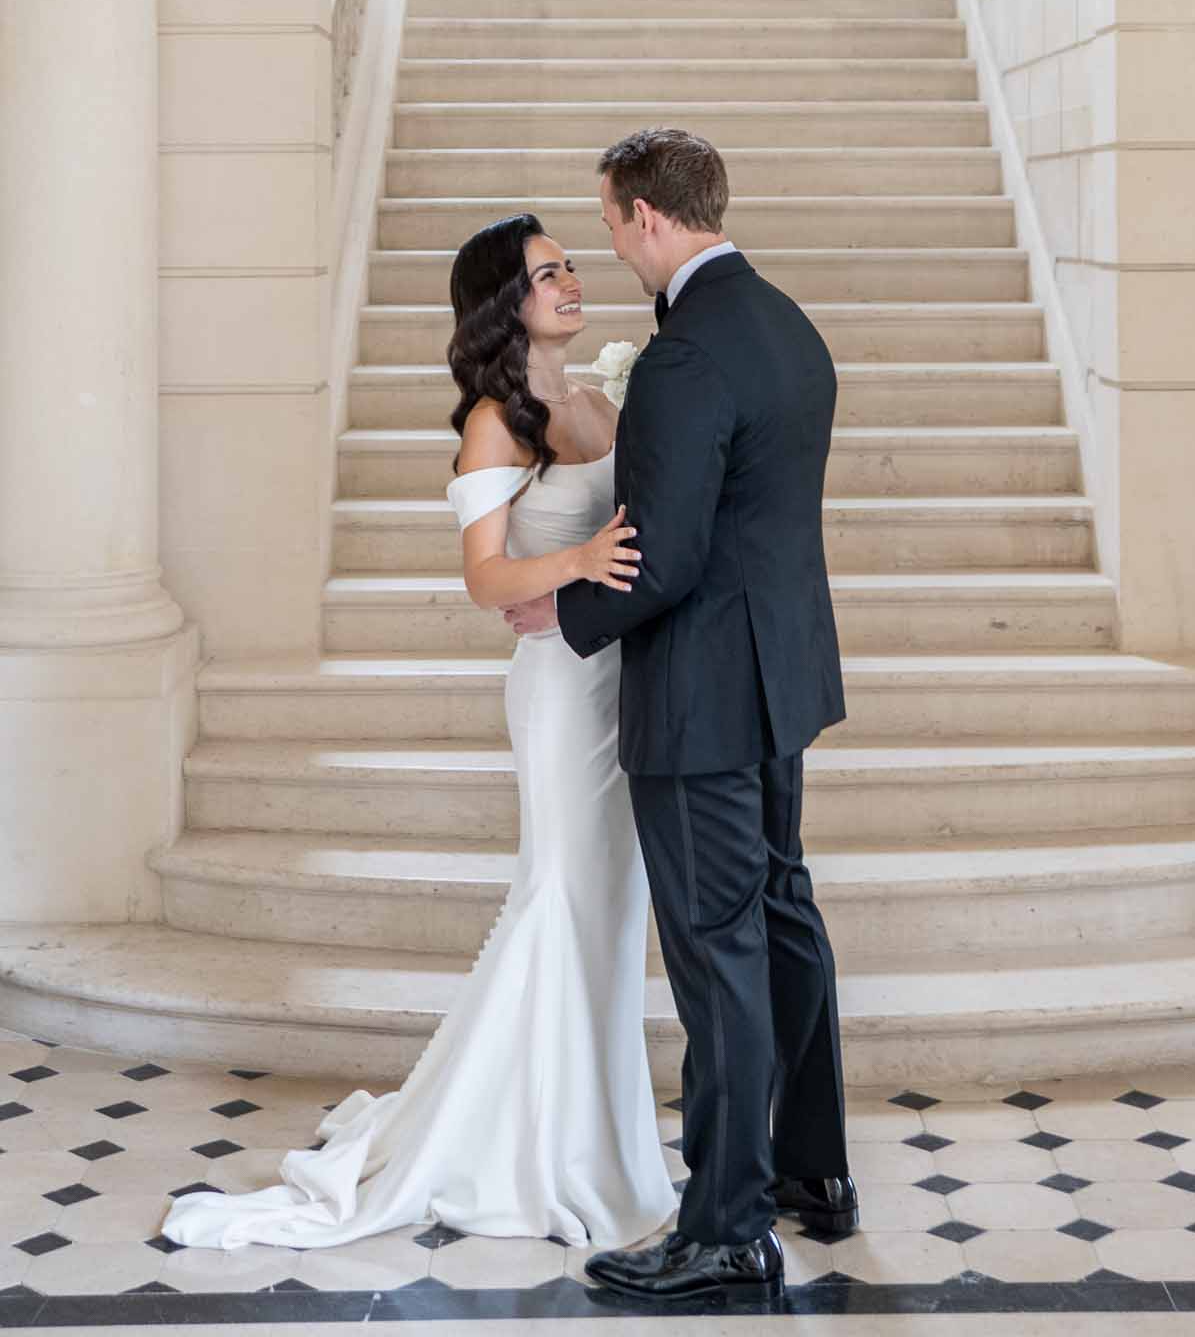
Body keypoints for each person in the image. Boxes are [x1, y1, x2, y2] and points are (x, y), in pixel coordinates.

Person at [162, 213, 677, 1254]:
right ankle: (531, 1148)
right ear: (506, 302)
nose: (573, 280)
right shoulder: (498, 418)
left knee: (612, 912)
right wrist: (575, 567)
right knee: (559, 896)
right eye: (547, 273)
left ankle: (595, 1134)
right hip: (559, 689)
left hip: (626, 678)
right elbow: (485, 575)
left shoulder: (598, 398)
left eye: (572, 263)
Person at [504, 129, 856, 1303]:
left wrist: (566, 609)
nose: (608, 240)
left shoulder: (686, 355)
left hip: (704, 693)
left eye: (609, 219)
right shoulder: (788, 324)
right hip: (782, 676)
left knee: (720, 951)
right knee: (782, 913)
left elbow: (666, 555)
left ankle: (724, 1223)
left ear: (652, 216)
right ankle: (816, 1175)